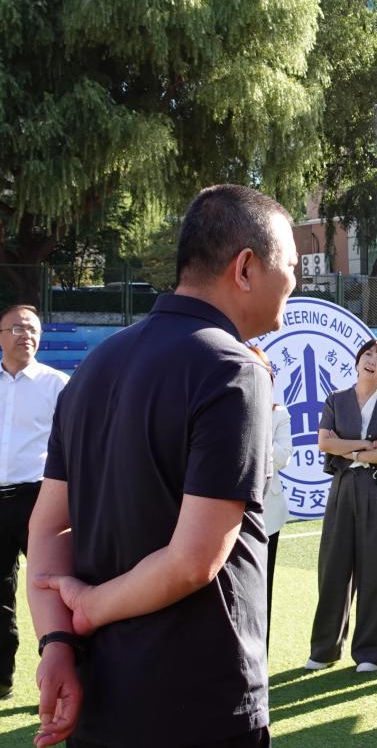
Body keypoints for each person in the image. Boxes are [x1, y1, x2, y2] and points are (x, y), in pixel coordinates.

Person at [27, 183, 298, 747]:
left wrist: (57, 644)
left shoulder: (93, 367)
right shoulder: (233, 369)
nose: (295, 284)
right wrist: (88, 609)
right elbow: (195, 559)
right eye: (292, 267)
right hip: (199, 701)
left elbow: (47, 528)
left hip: (99, 698)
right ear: (246, 267)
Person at [306, 338, 377, 673]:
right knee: (332, 565)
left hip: (376, 489)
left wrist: (347, 450)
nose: (372, 361)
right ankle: (324, 649)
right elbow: (324, 443)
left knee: (375, 569)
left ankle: (368, 653)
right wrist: (364, 446)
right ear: (358, 359)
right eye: (368, 354)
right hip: (342, 486)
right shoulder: (336, 399)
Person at [0, 305, 67, 700]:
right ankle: (2, 678)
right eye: (17, 329)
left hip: (40, 498)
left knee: (52, 587)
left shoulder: (58, 385)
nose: (26, 335)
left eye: (32, 330)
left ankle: (64, 675)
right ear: (0, 336)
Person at [245, 345, 293, 651]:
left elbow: (283, 456)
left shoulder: (279, 414)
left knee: (264, 585)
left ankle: (260, 652)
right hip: (225, 512)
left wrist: (252, 436)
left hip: (267, 513)